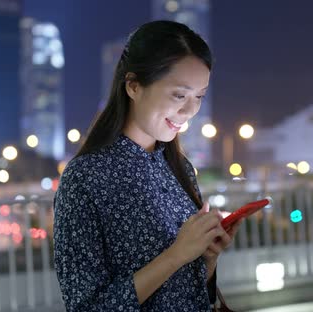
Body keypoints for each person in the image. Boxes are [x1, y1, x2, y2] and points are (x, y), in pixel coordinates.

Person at [53, 20, 242, 311]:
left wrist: (207, 257)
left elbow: (189, 294)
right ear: (133, 86)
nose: (190, 111)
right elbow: (87, 307)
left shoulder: (181, 168)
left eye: (199, 97)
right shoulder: (84, 179)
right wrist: (176, 254)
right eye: (179, 95)